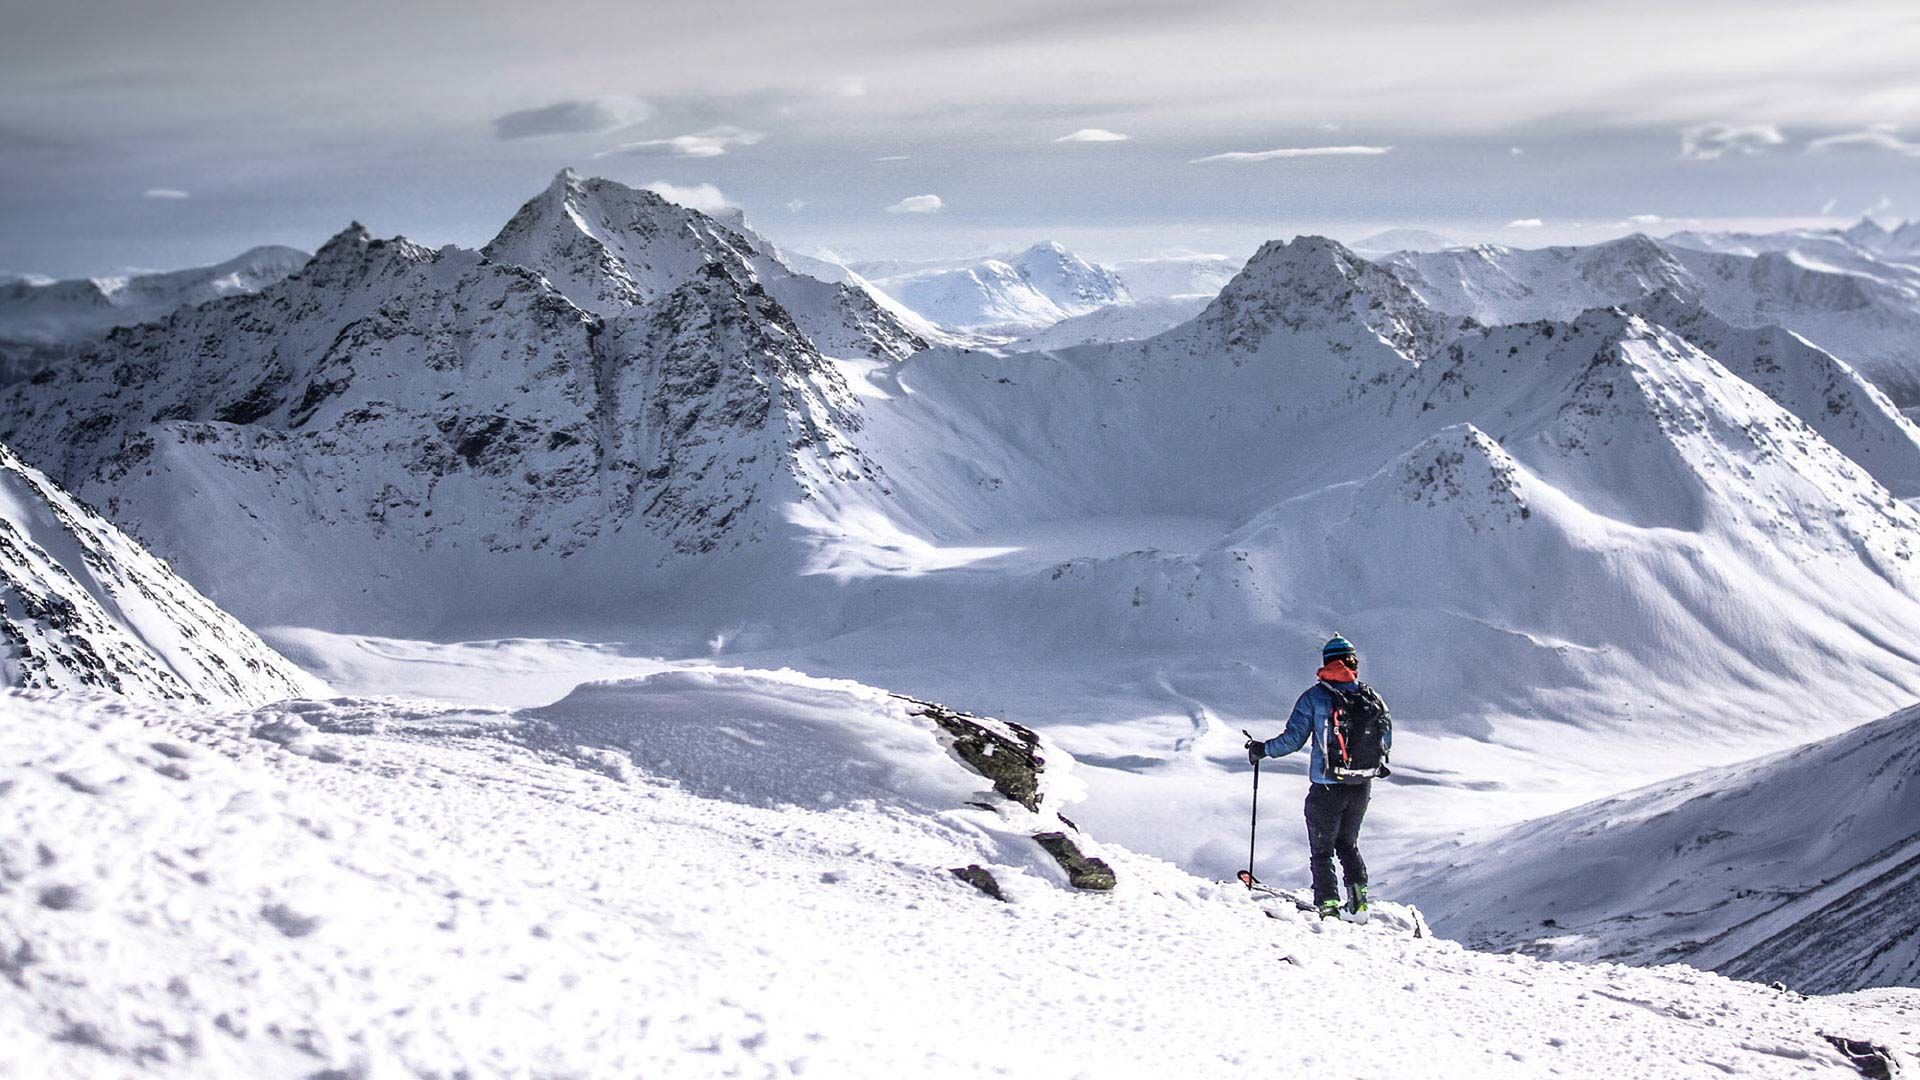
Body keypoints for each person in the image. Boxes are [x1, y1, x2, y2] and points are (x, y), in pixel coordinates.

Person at [1245, 635, 1392, 922]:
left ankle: (1328, 904)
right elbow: (1385, 737)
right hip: (1361, 784)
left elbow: (1292, 740)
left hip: (1327, 786)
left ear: (1326, 663)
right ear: (1353, 662)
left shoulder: (1316, 697)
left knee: (1322, 850)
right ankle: (1360, 904)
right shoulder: (1370, 696)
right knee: (1348, 844)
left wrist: (1263, 750)